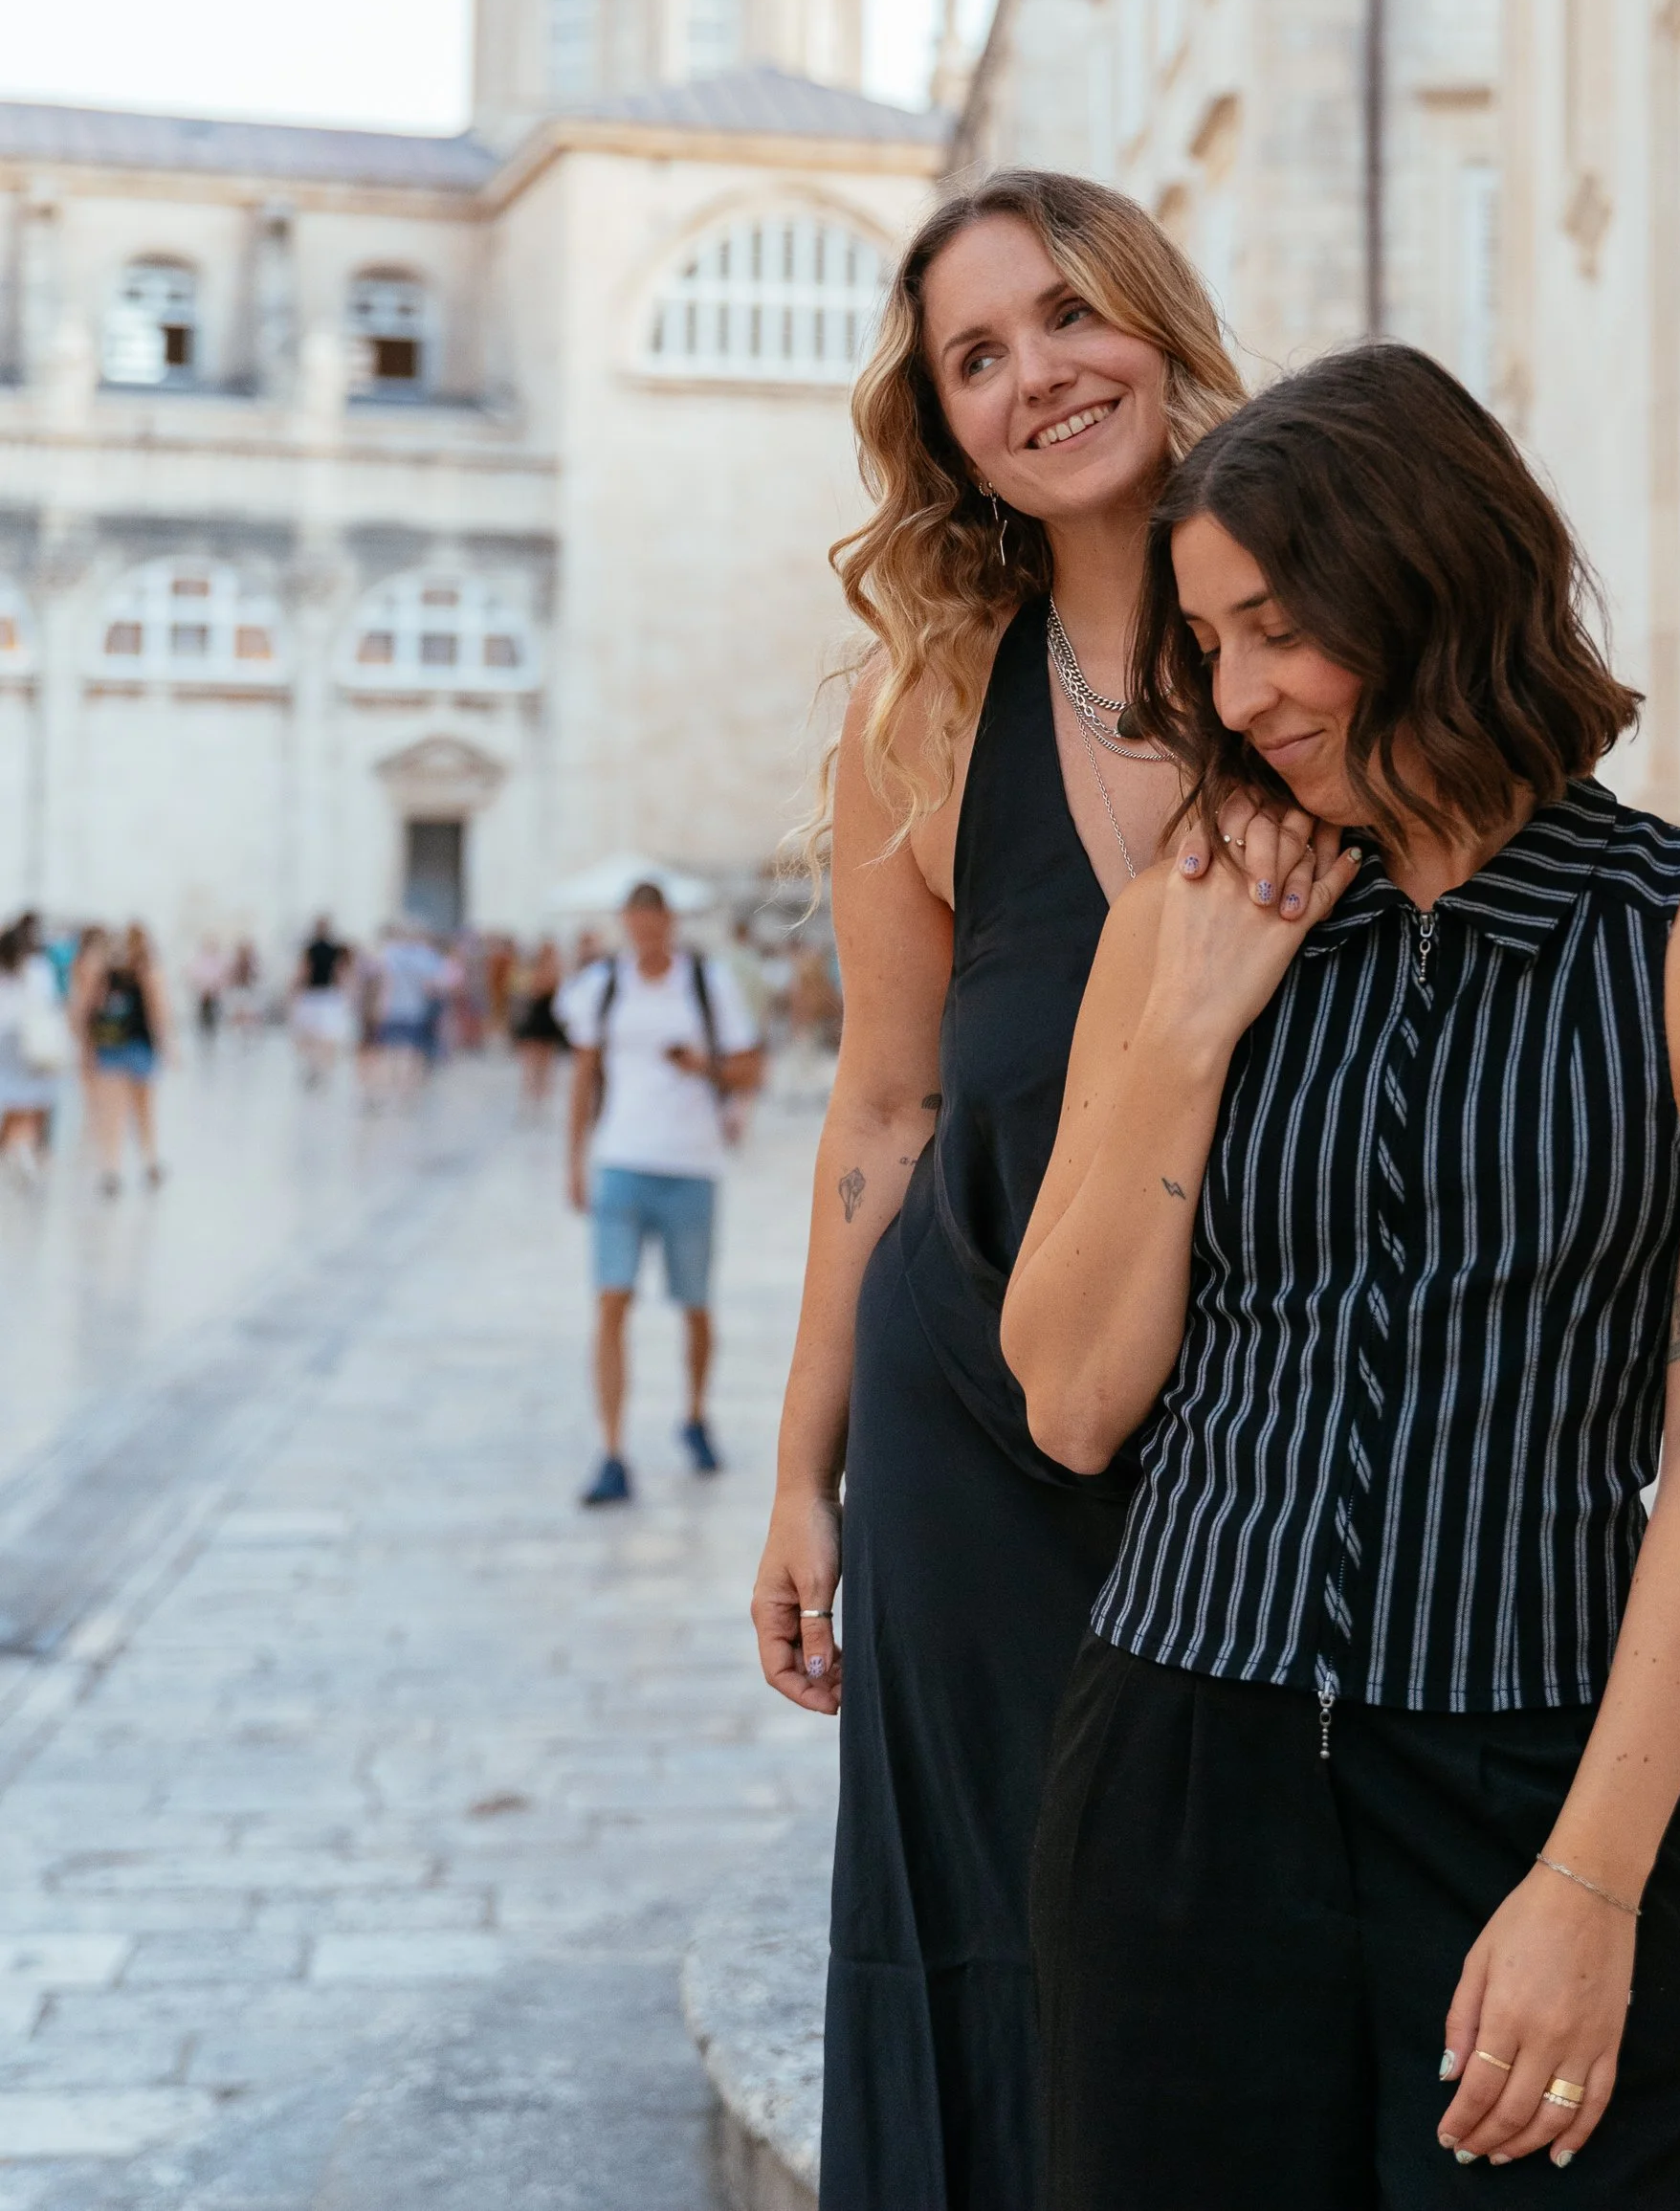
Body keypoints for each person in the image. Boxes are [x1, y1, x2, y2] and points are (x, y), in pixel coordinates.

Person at [1003, 345, 1680, 2210]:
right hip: (1175, 1776)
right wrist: (1187, 1031)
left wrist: (1587, 1880)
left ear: (1421, 581)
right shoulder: (1183, 913)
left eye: (1274, 631)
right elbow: (1068, 1399)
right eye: (1203, 642)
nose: (1235, 694)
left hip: (1531, 1782)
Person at [751, 173, 1243, 2211]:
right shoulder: (926, 703)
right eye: (975, 356)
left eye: (1063, 315)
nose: (1035, 374)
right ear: (944, 427)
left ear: (1152, 315)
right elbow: (881, 1111)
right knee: (989, 1928)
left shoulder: (1322, 638)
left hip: (1264, 1412)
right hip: (970, 1424)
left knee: (1224, 1945)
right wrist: (802, 1472)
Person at [562, 879, 763, 1505]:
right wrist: (573, 1159)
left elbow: (750, 1067)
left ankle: (696, 1413)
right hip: (621, 1158)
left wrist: (699, 1064)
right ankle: (613, 1449)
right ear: (626, 922)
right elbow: (584, 1075)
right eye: (636, 922)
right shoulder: (602, 988)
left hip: (691, 1163)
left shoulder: (708, 985)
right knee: (611, 1302)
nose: (647, 933)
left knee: (694, 1304)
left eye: (656, 922)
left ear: (669, 923)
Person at [72, 922, 174, 1196]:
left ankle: (111, 1167)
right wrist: (168, 1048)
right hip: (141, 1046)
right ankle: (150, 1158)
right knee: (144, 1109)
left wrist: (85, 1047)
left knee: (112, 1112)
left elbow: (85, 1011)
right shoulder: (149, 971)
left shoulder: (105, 972)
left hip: (110, 1047)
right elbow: (158, 1012)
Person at [0, 916, 65, 1174]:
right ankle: (22, 1148)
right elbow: (48, 1001)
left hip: (6, 1038)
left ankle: (16, 1147)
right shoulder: (38, 968)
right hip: (30, 1040)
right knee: (30, 1100)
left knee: (13, 1098)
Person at [367, 923, 449, 1102]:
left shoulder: (389, 954)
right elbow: (434, 986)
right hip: (415, 1010)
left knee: (389, 1051)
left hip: (392, 1010)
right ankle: (406, 1092)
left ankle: (387, 1090)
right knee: (411, 1052)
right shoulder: (426, 957)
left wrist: (379, 1007)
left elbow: (380, 982)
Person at [290, 917, 354, 1087]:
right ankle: (322, 1068)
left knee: (313, 1034)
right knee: (323, 1034)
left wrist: (294, 989)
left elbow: (304, 970)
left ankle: (316, 1066)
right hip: (327, 995)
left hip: (315, 995)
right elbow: (340, 973)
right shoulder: (332, 949)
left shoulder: (313, 949)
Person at [511, 940, 569, 1112]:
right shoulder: (534, 972)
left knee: (545, 1066)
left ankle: (540, 1102)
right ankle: (529, 1102)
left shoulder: (555, 972)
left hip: (547, 1021)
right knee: (530, 1065)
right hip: (536, 1021)